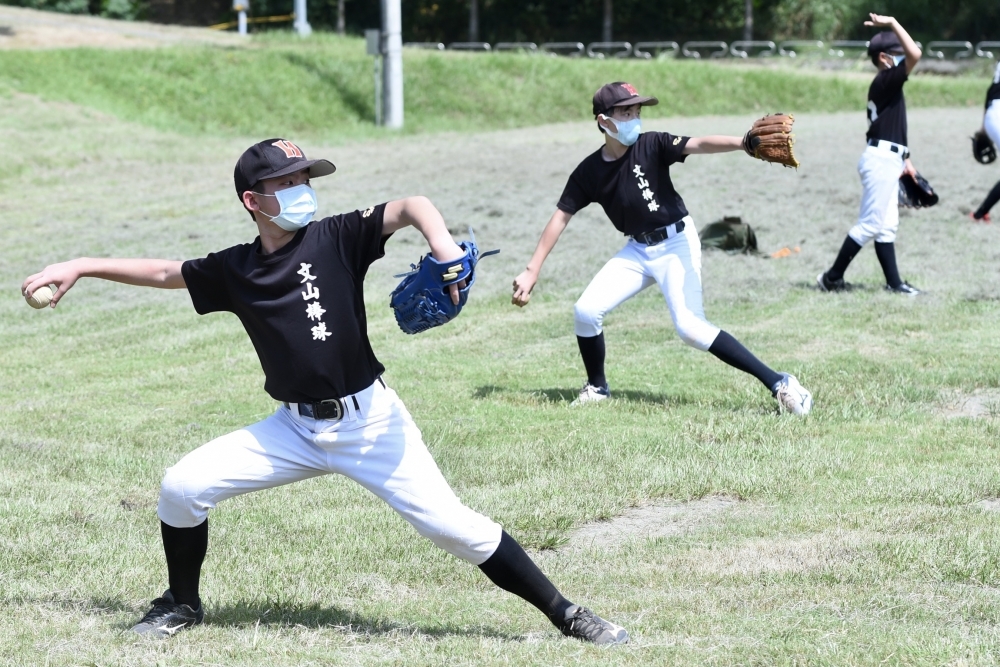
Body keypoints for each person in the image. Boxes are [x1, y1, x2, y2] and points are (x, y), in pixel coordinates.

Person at [21, 138, 628, 645]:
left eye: (305, 176)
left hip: (371, 425)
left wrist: (445, 250)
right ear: (252, 201)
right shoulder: (238, 269)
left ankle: (566, 614)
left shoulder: (337, 237)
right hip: (293, 430)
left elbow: (412, 204)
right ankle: (182, 603)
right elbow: (165, 273)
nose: (302, 187)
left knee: (455, 530)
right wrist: (81, 264)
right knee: (182, 486)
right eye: (287, 181)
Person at [510, 82, 813, 415]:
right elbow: (561, 216)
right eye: (626, 112)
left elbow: (697, 143)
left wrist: (742, 143)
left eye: (637, 111)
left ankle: (780, 382)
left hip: (676, 243)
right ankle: (597, 387)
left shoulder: (651, 143)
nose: (634, 118)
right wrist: (532, 269)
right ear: (603, 121)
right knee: (585, 311)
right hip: (638, 251)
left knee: (690, 328)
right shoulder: (589, 172)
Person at [817, 14, 923, 295]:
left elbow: (893, 126)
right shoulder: (886, 79)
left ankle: (894, 283)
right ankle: (830, 278)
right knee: (870, 224)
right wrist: (893, 23)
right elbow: (917, 53)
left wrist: (906, 160)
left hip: (889, 157)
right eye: (898, 54)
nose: (905, 58)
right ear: (885, 58)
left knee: (887, 226)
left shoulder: (889, 84)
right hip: (880, 161)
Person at [970, 59, 1000, 222]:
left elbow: (991, 91)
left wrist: (984, 126)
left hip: (993, 114)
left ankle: (981, 213)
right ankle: (980, 214)